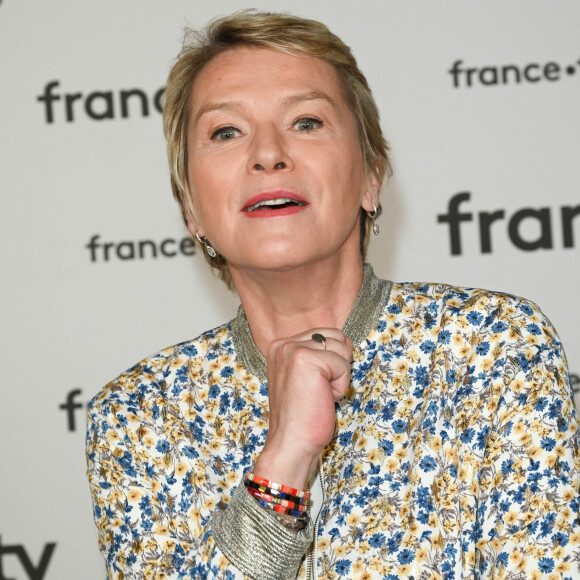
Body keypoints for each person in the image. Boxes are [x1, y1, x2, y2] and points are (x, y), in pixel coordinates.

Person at [86, 10, 580, 580]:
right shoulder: (138, 416)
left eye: (306, 122)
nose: (267, 154)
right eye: (226, 132)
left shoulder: (491, 346)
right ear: (191, 208)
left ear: (371, 176)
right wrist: (284, 461)